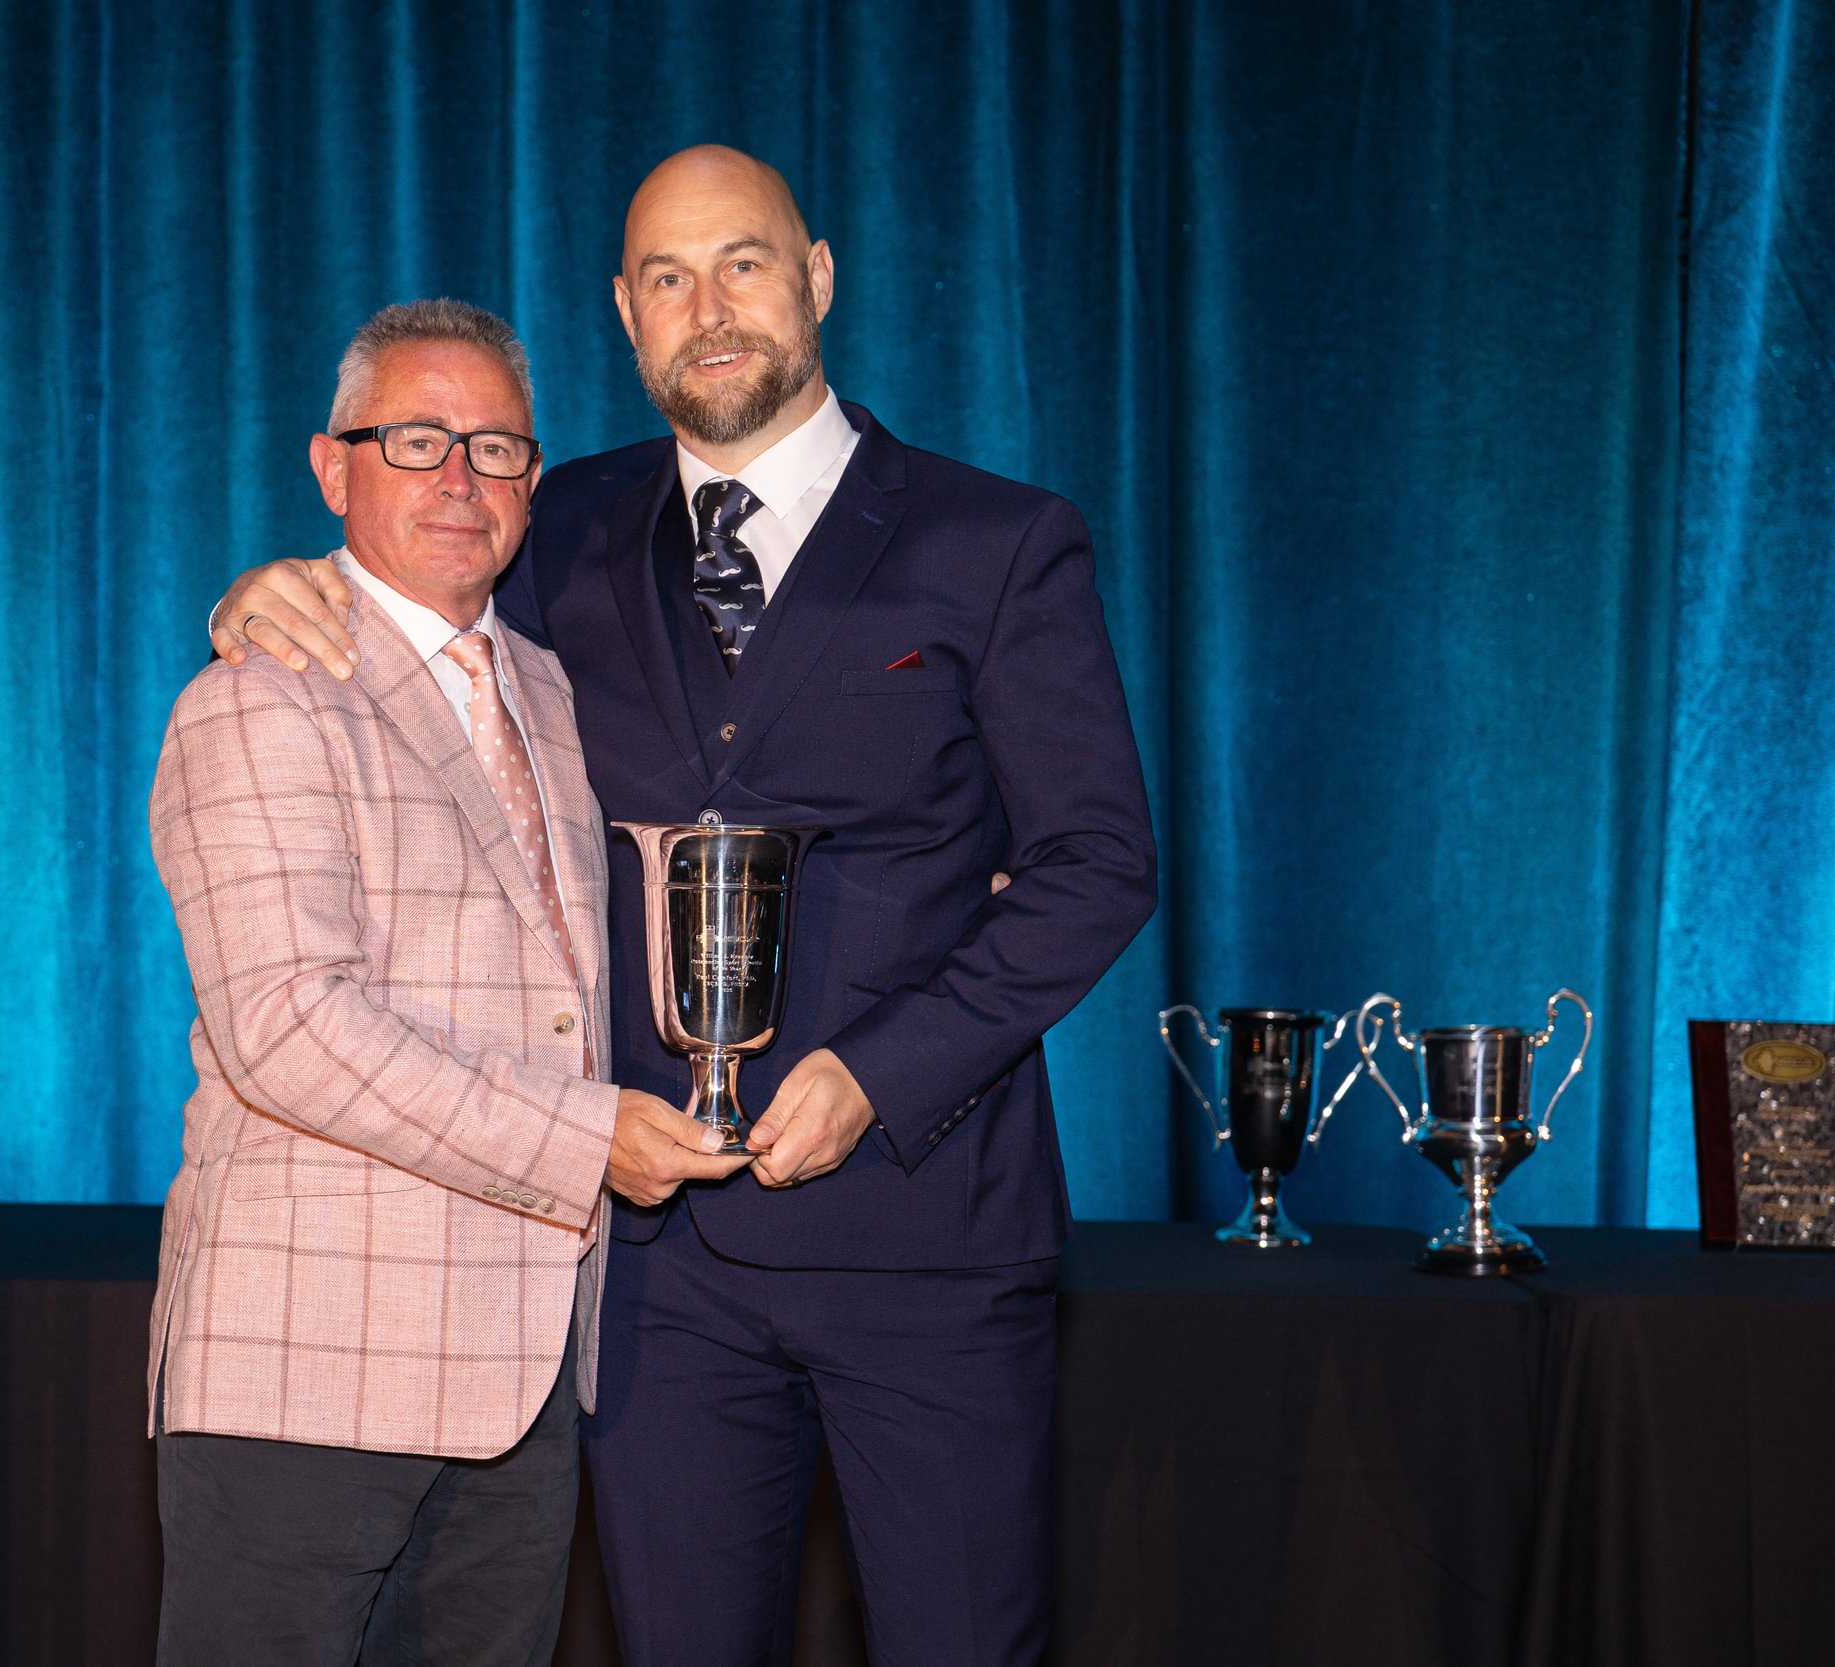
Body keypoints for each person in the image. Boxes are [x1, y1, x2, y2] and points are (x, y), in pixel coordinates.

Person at [209, 149, 1157, 1667]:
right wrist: (263, 593)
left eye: (743, 263)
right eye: (665, 277)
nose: (707, 309)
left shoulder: (995, 543)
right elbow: (404, 615)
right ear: (624, 317)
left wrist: (880, 1072)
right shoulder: (556, 525)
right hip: (652, 1272)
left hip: (926, 1241)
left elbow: (1098, 864)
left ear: (821, 276)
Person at [145, 297, 741, 1667]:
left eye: (495, 447)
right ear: (330, 465)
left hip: (526, 1388)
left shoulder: (557, 692)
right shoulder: (260, 695)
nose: (461, 481)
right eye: (417, 442)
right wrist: (587, 1140)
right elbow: (290, 1031)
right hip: (305, 1376)